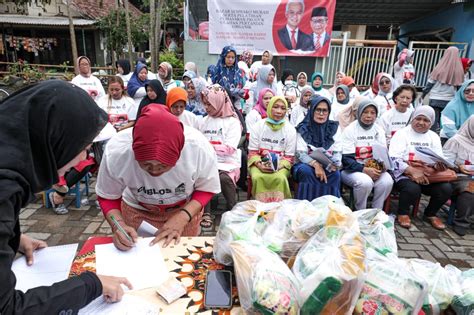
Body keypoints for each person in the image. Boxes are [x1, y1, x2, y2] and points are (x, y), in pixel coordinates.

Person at [0, 80, 132, 313]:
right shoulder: (5, 188)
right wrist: (91, 284)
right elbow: (7, 309)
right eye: (84, 146)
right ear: (54, 138)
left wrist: (12, 238)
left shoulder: (10, 161)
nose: (84, 158)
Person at [96, 105, 220, 250]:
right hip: (137, 209)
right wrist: (119, 225)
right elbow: (107, 196)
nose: (154, 171)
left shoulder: (198, 147)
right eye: (146, 165)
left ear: (179, 152)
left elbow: (206, 188)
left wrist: (183, 217)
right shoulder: (117, 150)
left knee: (180, 255)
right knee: (138, 255)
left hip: (185, 208)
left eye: (163, 166)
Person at [389, 106, 452, 230]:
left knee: (446, 188)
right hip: (405, 173)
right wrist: (411, 170)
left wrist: (439, 165)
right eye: (418, 118)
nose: (421, 123)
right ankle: (403, 213)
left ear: (431, 123)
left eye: (426, 120)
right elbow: (393, 159)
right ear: (412, 118)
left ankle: (430, 214)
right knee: (413, 188)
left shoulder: (433, 136)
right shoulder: (401, 134)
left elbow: (438, 157)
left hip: (428, 174)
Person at [341, 98, 393, 210]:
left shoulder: (379, 130)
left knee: (387, 181)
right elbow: (346, 160)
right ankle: (361, 212)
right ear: (359, 113)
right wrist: (364, 169)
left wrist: (382, 166)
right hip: (352, 170)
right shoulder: (350, 130)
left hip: (373, 169)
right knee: (365, 182)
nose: (369, 116)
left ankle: (376, 211)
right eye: (365, 112)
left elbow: (382, 156)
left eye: (372, 113)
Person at [200, 85, 242, 211]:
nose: (206, 108)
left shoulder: (232, 122)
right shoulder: (203, 121)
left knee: (224, 178)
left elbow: (229, 148)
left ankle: (232, 208)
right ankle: (205, 212)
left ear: (218, 102)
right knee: (202, 175)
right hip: (207, 162)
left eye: (209, 104)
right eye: (205, 104)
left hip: (227, 163)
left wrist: (207, 146)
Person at [248, 96, 296, 202]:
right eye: (276, 107)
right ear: (269, 108)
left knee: (280, 178)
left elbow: (289, 157)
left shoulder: (290, 129)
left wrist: (278, 166)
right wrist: (260, 165)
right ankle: (260, 206)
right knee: (257, 177)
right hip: (260, 162)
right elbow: (253, 152)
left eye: (283, 108)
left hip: (281, 165)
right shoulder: (258, 126)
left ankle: (279, 207)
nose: (279, 111)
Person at [293, 96, 342, 201]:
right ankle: (307, 208)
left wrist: (334, 165)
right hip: (306, 164)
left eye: (325, 110)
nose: (321, 114)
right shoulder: (303, 127)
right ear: (312, 110)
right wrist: (315, 165)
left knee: (335, 174)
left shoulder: (334, 128)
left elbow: (337, 152)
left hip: (328, 164)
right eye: (318, 110)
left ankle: (329, 208)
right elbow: (300, 154)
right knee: (307, 172)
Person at [443, 116, 474, 236]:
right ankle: (462, 222)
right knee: (470, 188)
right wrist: (458, 166)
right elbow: (445, 161)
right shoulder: (456, 141)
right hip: (458, 176)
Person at [422, 46, 465, 132]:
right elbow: (460, 88)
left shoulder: (439, 67)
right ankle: (443, 137)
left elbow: (429, 84)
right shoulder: (459, 70)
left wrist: (423, 95)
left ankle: (432, 136)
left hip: (435, 98)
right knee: (445, 121)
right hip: (450, 100)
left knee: (433, 120)